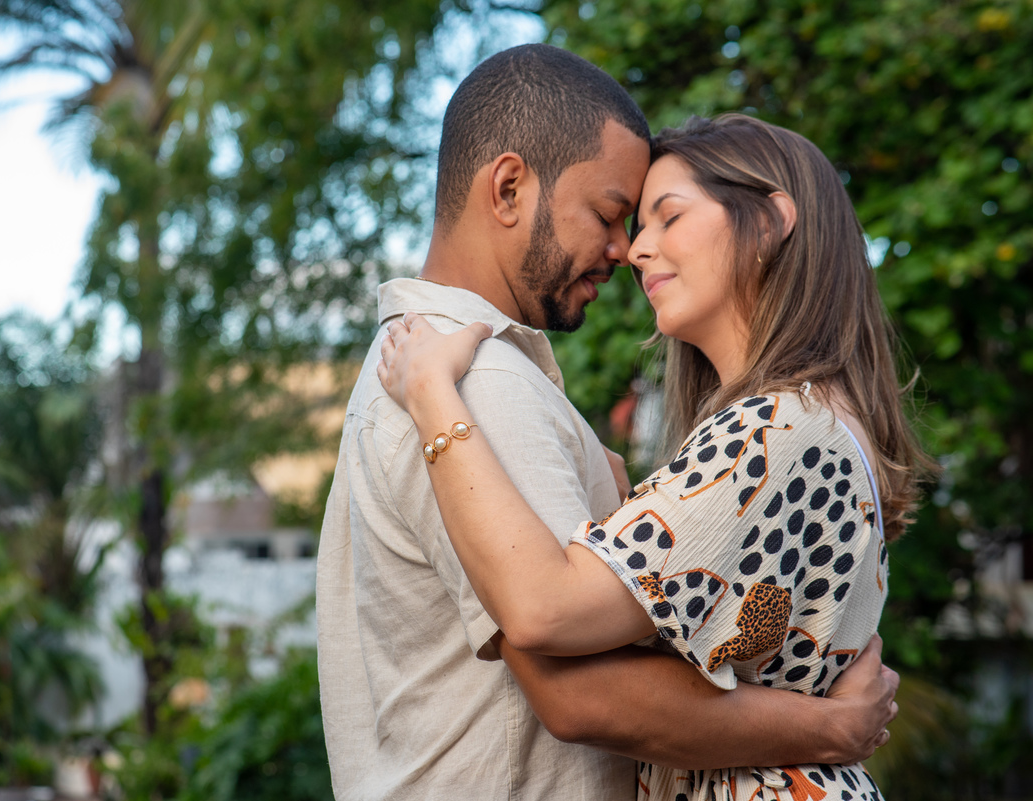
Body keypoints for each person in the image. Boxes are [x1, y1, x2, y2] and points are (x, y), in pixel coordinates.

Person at [317, 44, 898, 801]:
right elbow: (576, 686)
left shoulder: (777, 428)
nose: (628, 250)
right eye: (613, 214)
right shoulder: (475, 376)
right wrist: (832, 729)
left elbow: (571, 627)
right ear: (508, 188)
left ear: (767, 224)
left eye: (663, 217)